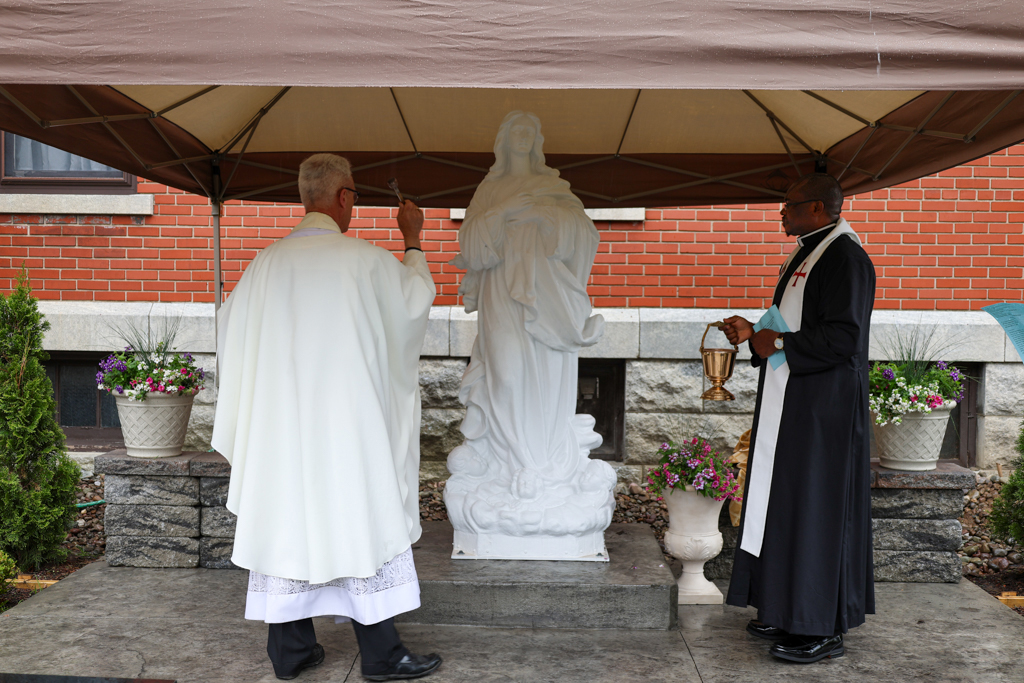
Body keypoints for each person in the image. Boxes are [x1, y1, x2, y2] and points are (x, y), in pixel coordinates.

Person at [211, 153, 442, 681]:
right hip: (345, 427)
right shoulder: (365, 259)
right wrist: (412, 238)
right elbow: (414, 304)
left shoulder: (263, 265)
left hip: (281, 430)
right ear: (344, 198)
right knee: (359, 515)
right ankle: (382, 656)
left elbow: (232, 336)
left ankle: (290, 653)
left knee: (285, 518)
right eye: (355, 196)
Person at [444, 111, 615, 556]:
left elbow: (585, 236)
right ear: (502, 141)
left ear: (537, 141)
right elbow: (469, 246)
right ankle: (511, 464)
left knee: (546, 379)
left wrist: (547, 218)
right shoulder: (490, 189)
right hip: (503, 294)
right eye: (514, 130)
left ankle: (538, 467)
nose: (521, 137)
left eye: (529, 131)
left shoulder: (556, 190)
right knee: (508, 375)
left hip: (548, 298)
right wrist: (503, 213)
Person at [721, 173, 875, 664]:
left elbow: (845, 338)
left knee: (815, 505)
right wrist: (755, 330)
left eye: (787, 206)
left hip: (822, 408)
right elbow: (790, 321)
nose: (780, 214)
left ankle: (820, 625)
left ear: (816, 208)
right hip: (792, 399)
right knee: (783, 499)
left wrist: (780, 343)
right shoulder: (810, 249)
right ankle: (783, 607)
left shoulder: (845, 257)